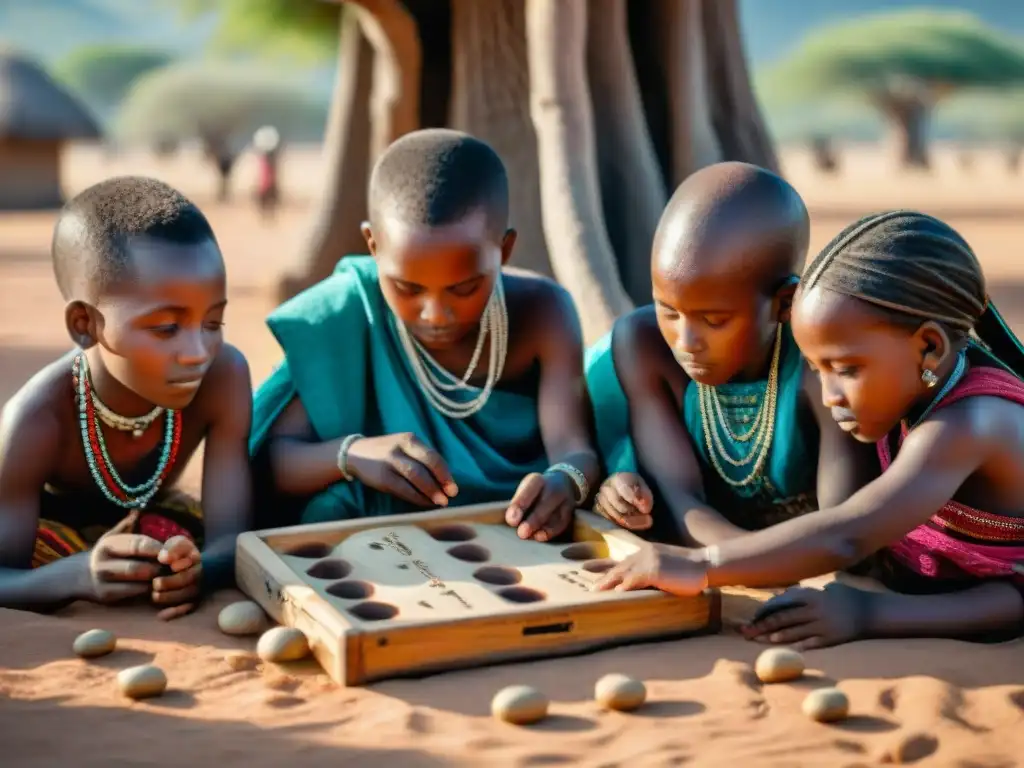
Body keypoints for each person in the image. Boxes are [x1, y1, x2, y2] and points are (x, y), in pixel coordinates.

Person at [595, 210, 1024, 648]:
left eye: (845, 369)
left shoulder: (970, 423)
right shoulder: (910, 388)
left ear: (929, 347)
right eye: (819, 371)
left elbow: (849, 533)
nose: (829, 395)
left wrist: (704, 563)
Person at [250, 129, 599, 542]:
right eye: (408, 289)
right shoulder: (345, 313)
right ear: (373, 245)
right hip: (382, 540)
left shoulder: (544, 313)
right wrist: (354, 454)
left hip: (514, 529)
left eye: (465, 288)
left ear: (504, 252)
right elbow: (270, 462)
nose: (435, 314)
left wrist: (564, 481)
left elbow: (574, 448)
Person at [0, 177, 253, 619]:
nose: (197, 353)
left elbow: (230, 536)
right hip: (53, 534)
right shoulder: (37, 419)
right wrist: (74, 576)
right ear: (85, 324)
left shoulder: (224, 377)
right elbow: (5, 573)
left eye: (212, 323)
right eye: (166, 328)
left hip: (154, 520)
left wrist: (201, 571)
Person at [584, 162, 877, 544]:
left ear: (785, 303)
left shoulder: (821, 365)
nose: (686, 340)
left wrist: (741, 564)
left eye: (714, 320)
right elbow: (680, 505)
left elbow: (841, 531)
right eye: (669, 311)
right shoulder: (645, 344)